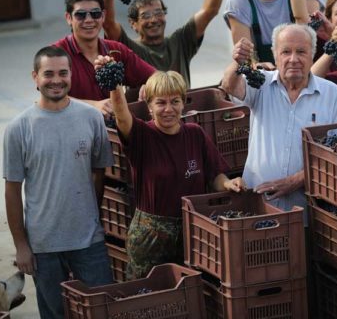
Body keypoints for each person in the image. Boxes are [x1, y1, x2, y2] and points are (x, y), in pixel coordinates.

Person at [4, 46, 113, 319]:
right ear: (35, 77)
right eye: (48, 73)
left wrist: (92, 217)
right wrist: (21, 245)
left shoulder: (91, 119)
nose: (56, 80)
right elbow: (12, 191)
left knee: (103, 314)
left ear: (71, 75)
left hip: (89, 241)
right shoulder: (19, 128)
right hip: (44, 245)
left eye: (63, 73)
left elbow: (98, 173)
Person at [101, 67, 238, 279]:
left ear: (183, 103)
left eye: (175, 101)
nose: (168, 109)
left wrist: (228, 184)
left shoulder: (195, 134)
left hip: (193, 233)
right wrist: (114, 83)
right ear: (149, 107)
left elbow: (215, 175)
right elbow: (121, 116)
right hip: (150, 238)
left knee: (190, 295)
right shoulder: (142, 135)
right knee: (150, 297)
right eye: (161, 102)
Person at [220, 23, 337, 212]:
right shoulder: (260, 83)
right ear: (275, 54)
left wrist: (295, 181)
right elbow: (230, 86)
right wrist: (237, 61)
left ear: (313, 54)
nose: (293, 59)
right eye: (286, 52)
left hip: (309, 211)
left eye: (301, 52)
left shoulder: (332, 94)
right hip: (257, 205)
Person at [101, 0, 233, 87]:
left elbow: (209, 11)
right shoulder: (128, 49)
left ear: (165, 16)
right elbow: (107, 22)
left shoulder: (181, 41)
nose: (153, 20)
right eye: (146, 16)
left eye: (158, 13)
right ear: (133, 24)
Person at [52, 0, 155, 119]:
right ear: (68, 18)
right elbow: (48, 99)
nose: (89, 20)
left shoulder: (116, 50)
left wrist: (152, 85)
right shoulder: (55, 54)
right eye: (80, 15)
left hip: (115, 131)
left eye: (95, 14)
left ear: (103, 16)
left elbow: (157, 76)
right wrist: (93, 106)